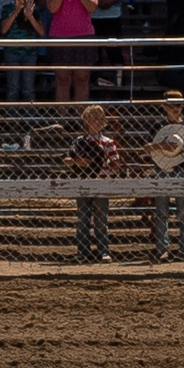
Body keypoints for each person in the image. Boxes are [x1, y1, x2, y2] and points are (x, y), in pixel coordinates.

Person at [146, 90, 184, 262]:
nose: (176, 109)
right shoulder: (156, 126)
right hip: (162, 168)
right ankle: (163, 249)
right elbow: (146, 147)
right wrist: (162, 146)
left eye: (179, 105)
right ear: (164, 106)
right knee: (161, 212)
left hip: (181, 170)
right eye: (172, 105)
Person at [67, 104, 120, 263]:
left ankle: (103, 250)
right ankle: (82, 251)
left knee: (101, 219)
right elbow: (67, 159)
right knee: (83, 218)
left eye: (100, 119)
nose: (97, 122)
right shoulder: (78, 142)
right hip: (83, 182)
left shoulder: (108, 142)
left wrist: (108, 160)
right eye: (93, 119)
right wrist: (78, 161)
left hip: (101, 182)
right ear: (86, 121)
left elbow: (116, 163)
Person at [49, 0, 99, 106]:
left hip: (84, 36)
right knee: (62, 79)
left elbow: (92, 7)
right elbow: (52, 8)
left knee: (82, 79)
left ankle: (81, 120)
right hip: (60, 36)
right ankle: (63, 122)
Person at [0, 0, 45, 104]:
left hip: (30, 53)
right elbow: (3, 30)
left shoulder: (35, 9)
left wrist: (30, 16)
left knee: (28, 89)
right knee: (13, 89)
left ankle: (30, 119)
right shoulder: (7, 8)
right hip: (12, 52)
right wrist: (16, 11)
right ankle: (12, 121)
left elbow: (41, 31)